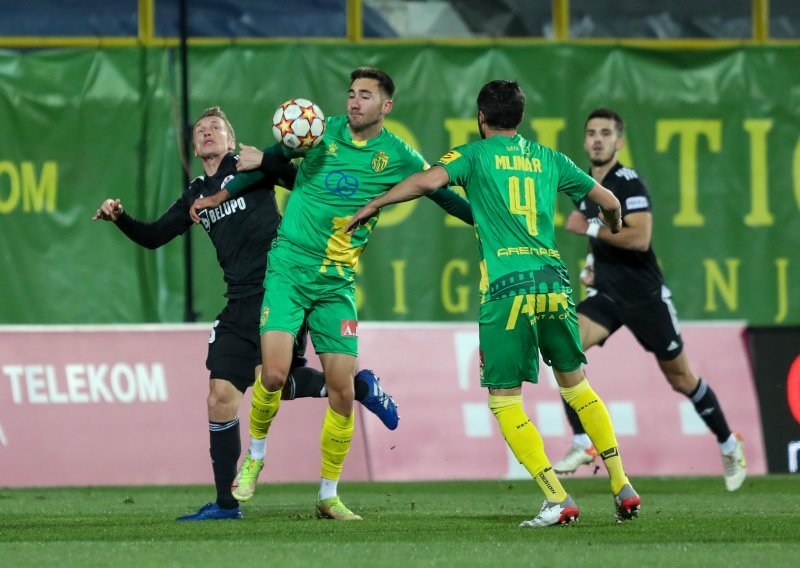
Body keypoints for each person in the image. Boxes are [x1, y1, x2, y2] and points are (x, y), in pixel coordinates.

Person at [346, 80, 640, 527]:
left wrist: (376, 203)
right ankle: (621, 483)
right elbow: (609, 201)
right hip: (553, 284)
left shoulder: (473, 155)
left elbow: (427, 182)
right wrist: (614, 223)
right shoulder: (549, 158)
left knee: (505, 401)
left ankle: (557, 497)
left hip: (506, 288)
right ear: (519, 118)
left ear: (481, 117)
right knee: (577, 387)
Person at [188, 68, 475, 520]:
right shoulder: (320, 131)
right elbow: (265, 161)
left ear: (387, 106)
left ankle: (328, 495)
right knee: (275, 376)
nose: (354, 102)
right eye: (351, 94)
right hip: (287, 268)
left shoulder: (399, 156)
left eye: (365, 95)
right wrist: (220, 192)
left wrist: (486, 222)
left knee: (342, 391)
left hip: (337, 281)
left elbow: (441, 193)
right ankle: (255, 458)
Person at [92, 106, 401, 522]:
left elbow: (305, 185)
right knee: (220, 397)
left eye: (215, 127)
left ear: (231, 140)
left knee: (271, 381)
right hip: (239, 301)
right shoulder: (194, 194)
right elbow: (153, 237)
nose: (206, 133)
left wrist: (278, 160)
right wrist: (120, 218)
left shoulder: (251, 167)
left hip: (281, 288)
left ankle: (355, 388)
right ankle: (225, 504)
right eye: (200, 129)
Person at [553, 108, 747, 492]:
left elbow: (639, 239)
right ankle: (582, 441)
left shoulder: (628, 182)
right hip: (607, 295)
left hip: (645, 298)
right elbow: (601, 239)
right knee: (563, 345)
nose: (597, 139)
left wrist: (589, 226)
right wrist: (592, 264)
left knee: (681, 379)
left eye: (606, 133)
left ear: (619, 142)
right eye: (591, 132)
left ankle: (729, 444)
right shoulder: (586, 184)